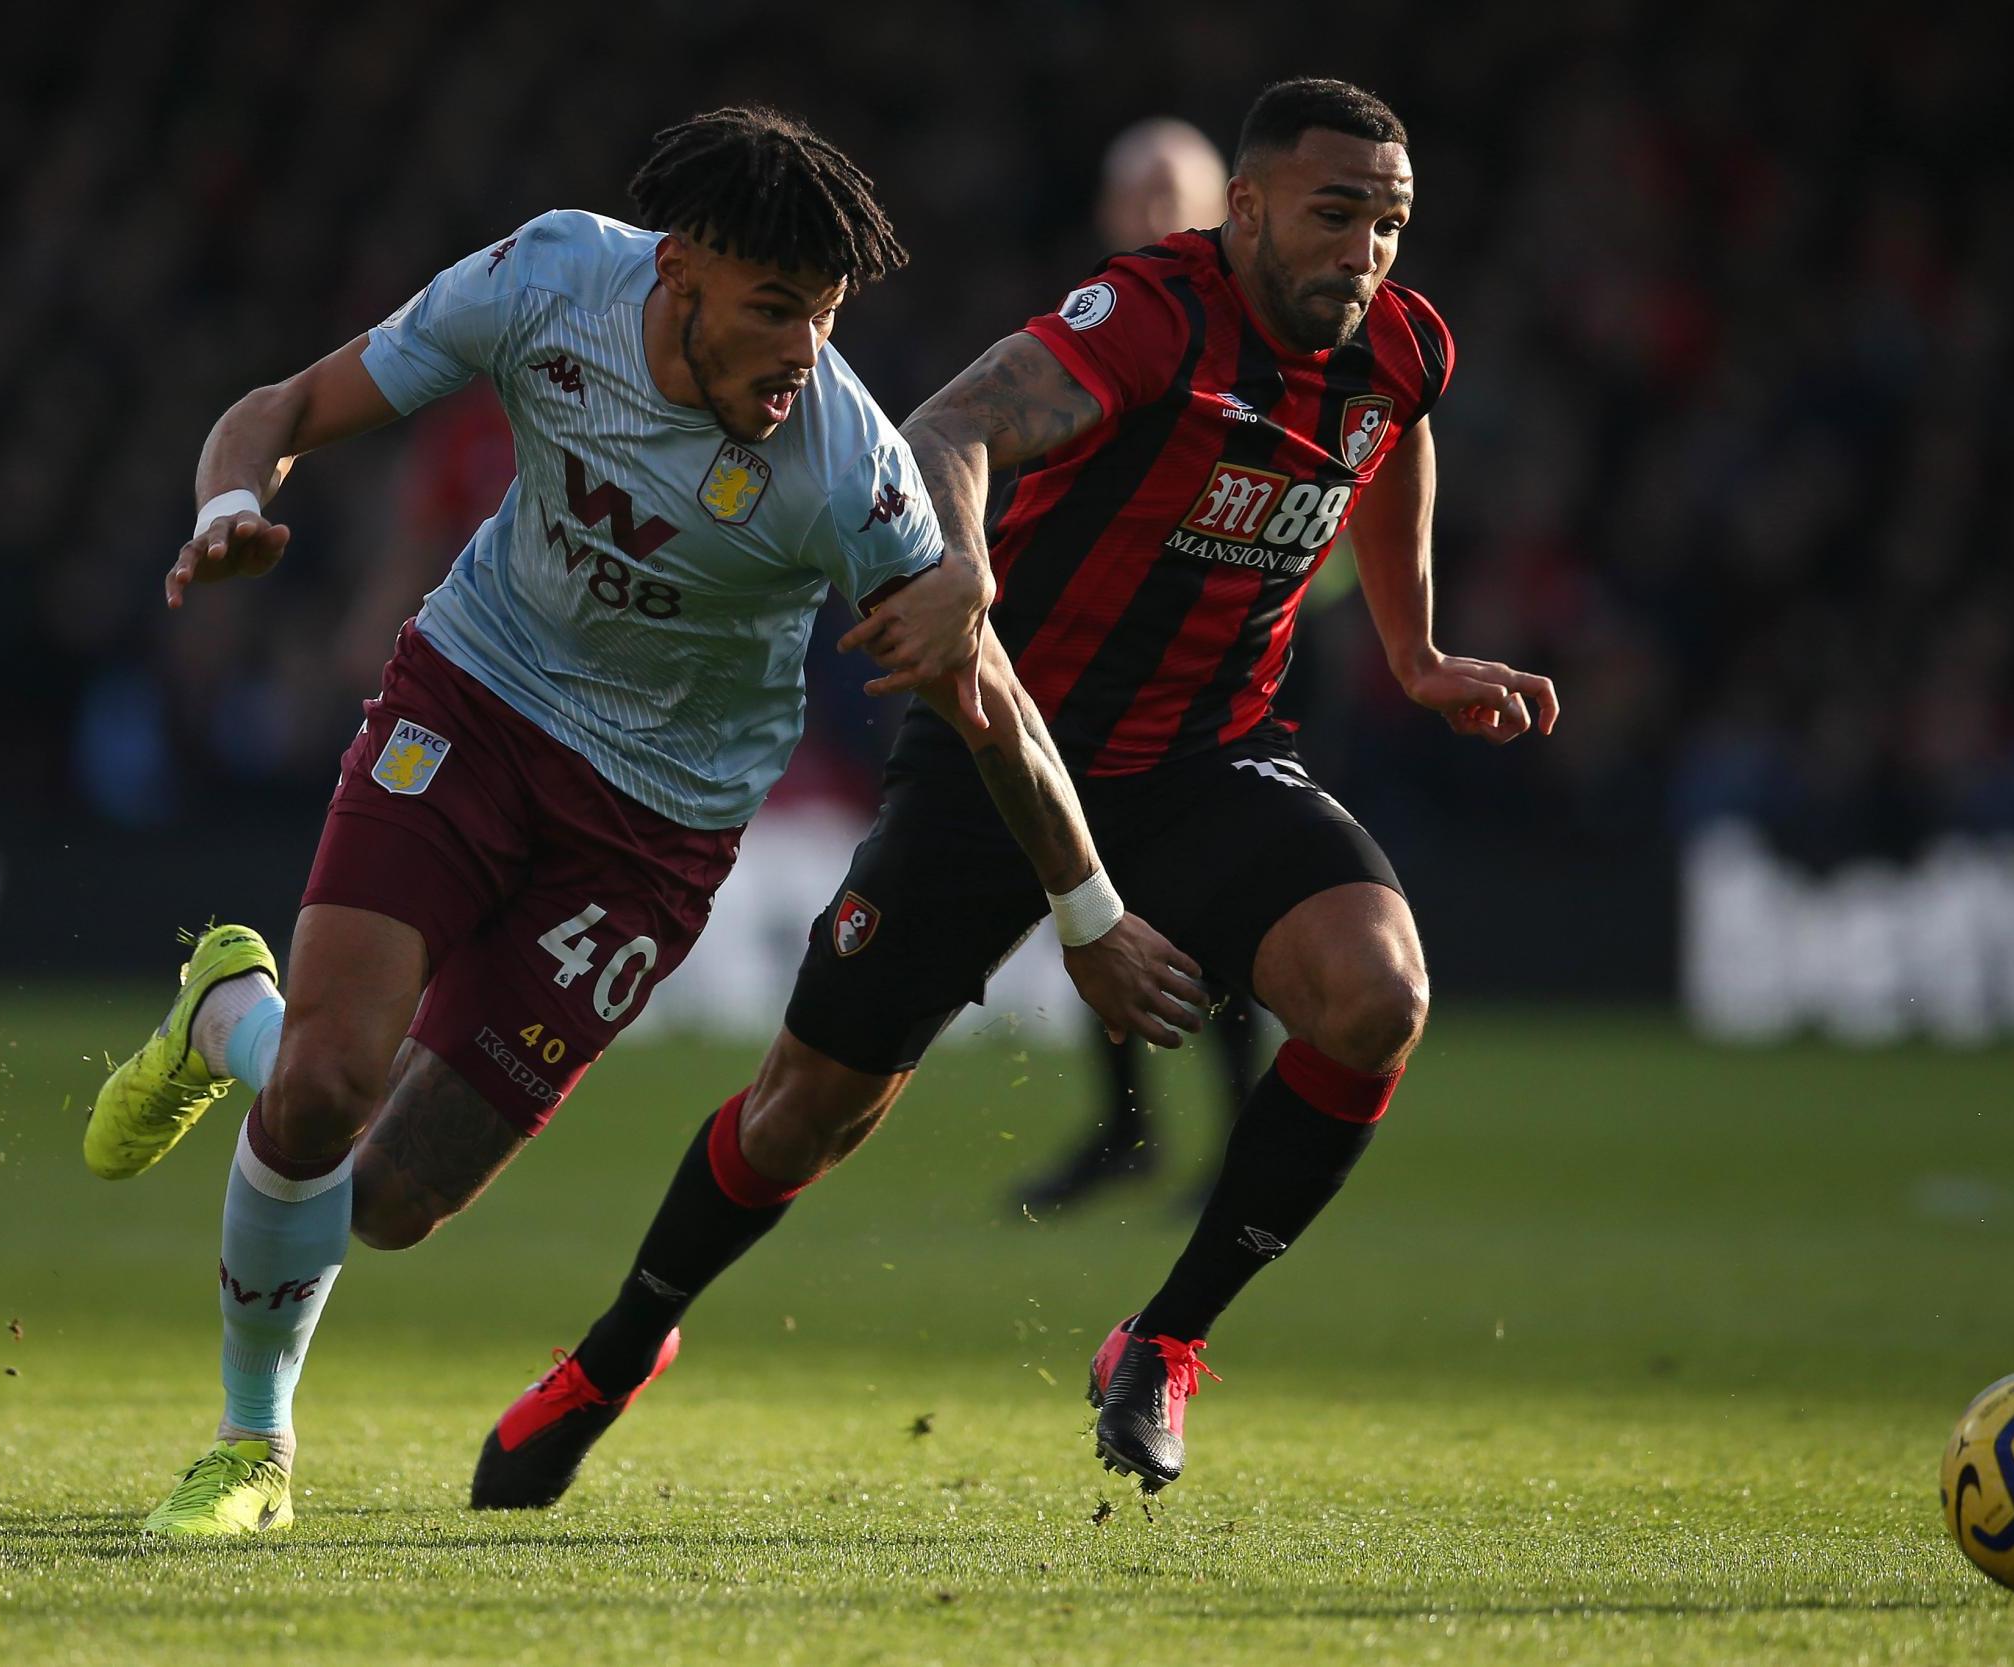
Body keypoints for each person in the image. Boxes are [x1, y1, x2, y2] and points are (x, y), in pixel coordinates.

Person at [81, 105, 1202, 1537]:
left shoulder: (847, 468)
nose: (804, 350)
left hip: (651, 827)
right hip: (472, 701)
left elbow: (991, 698)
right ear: (677, 272)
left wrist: (1087, 911)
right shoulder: (550, 281)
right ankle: (253, 1447)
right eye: (775, 308)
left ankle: (225, 1006)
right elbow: (289, 404)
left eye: (827, 316)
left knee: (393, 1196)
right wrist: (228, 498)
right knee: (321, 1087)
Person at [521, 77, 1559, 1504]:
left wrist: (1414, 645)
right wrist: (962, 572)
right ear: (1243, 208)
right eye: (1334, 217)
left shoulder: (1397, 347)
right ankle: (617, 1347)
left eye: (1387, 224)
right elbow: (947, 426)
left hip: (1203, 757)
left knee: (1377, 991)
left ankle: (1164, 1338)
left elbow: (1394, 435)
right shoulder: (1153, 315)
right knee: (801, 1112)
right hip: (1003, 747)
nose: (1364, 251)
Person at [1016, 114, 1265, 1215]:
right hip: (1110, 672)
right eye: (1136, 195)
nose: (1154, 215)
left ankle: (1238, 1134)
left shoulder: (1277, 344)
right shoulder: (1097, 340)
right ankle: (1126, 1127)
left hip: (1256, 668)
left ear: (1227, 212)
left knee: (1222, 902)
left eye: (1174, 193)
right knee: (1088, 890)